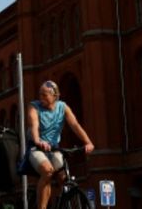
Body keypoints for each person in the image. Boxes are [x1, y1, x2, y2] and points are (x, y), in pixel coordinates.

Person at [26, 81, 93, 209]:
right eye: (40, 94)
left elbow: (75, 125)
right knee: (48, 171)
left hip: (55, 148)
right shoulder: (34, 106)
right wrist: (38, 141)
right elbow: (34, 126)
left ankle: (63, 204)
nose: (41, 98)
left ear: (55, 96)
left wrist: (88, 142)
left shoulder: (63, 107)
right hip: (37, 148)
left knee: (63, 177)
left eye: (45, 95)